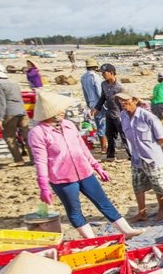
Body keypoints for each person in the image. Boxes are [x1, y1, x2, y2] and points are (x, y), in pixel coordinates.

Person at [29, 92, 143, 238]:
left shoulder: (69, 125)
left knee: (103, 202)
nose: (63, 111)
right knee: (74, 210)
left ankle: (126, 230)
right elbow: (41, 161)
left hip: (84, 172)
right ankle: (91, 239)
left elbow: (82, 148)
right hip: (63, 178)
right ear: (51, 112)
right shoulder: (38, 133)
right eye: (59, 109)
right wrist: (43, 185)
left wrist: (96, 166)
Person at [116, 92, 163, 222]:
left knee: (158, 184)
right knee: (138, 186)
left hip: (151, 157)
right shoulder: (123, 115)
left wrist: (151, 149)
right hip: (136, 157)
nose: (123, 103)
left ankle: (161, 210)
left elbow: (162, 138)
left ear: (134, 100)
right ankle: (142, 213)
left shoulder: (148, 117)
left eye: (125, 100)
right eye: (120, 100)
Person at [0, 63, 29, 165]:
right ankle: (34, 159)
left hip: (10, 112)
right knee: (27, 136)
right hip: (21, 111)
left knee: (9, 137)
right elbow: (20, 99)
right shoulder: (14, 82)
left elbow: (1, 102)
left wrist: (0, 118)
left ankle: (18, 160)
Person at [93, 63, 131, 161]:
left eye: (104, 73)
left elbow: (126, 102)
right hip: (109, 113)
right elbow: (103, 97)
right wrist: (97, 108)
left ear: (111, 73)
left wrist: (127, 115)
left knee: (124, 135)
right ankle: (110, 155)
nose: (103, 75)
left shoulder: (120, 87)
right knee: (110, 135)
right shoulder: (104, 84)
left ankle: (132, 155)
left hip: (119, 115)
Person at [80, 58, 107, 155]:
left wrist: (89, 104)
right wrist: (103, 103)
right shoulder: (94, 77)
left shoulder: (83, 77)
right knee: (102, 124)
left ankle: (103, 146)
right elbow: (99, 92)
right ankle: (104, 148)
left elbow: (85, 93)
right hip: (99, 103)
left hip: (91, 103)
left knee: (99, 124)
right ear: (95, 67)